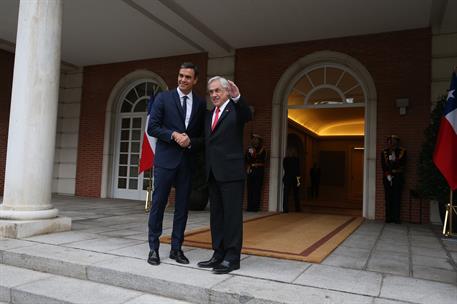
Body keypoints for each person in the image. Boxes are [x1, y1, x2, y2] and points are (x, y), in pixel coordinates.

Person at [146, 62, 206, 266]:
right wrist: (172, 135)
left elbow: (202, 137)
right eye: (180, 75)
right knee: (159, 204)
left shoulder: (200, 104)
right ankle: (153, 248)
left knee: (182, 208)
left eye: (188, 77)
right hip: (165, 161)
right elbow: (153, 128)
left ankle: (176, 248)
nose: (183, 79)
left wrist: (190, 141)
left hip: (187, 163)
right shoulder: (163, 98)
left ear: (195, 80)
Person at [197, 76, 252, 274]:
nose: (214, 95)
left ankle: (232, 258)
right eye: (211, 92)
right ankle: (218, 254)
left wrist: (238, 97)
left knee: (232, 217)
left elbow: (248, 114)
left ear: (227, 91)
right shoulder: (209, 114)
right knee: (217, 217)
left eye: (217, 91)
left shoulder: (236, 110)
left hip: (231, 174)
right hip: (213, 173)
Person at [381, 134, 407, 223]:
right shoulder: (384, 152)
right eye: (389, 142)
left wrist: (395, 161)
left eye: (393, 141)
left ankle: (396, 218)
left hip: (398, 177)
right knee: (388, 198)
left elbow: (403, 164)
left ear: (397, 142)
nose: (391, 143)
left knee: (397, 198)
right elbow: (383, 165)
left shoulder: (402, 151)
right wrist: (387, 174)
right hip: (387, 177)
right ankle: (388, 218)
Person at [245, 134, 267, 211]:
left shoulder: (262, 149)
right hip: (251, 170)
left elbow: (260, 159)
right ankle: (250, 207)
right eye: (254, 139)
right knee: (250, 189)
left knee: (257, 189)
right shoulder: (250, 149)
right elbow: (247, 159)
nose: (255, 140)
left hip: (259, 171)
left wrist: (253, 154)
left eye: (256, 139)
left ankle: (255, 207)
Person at [282, 148, 301, 212]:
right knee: (296, 194)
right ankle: (297, 209)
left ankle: (285, 209)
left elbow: (285, 168)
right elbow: (298, 171)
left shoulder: (285, 159)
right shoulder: (296, 160)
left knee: (286, 194)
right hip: (294, 178)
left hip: (287, 178)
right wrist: (298, 182)